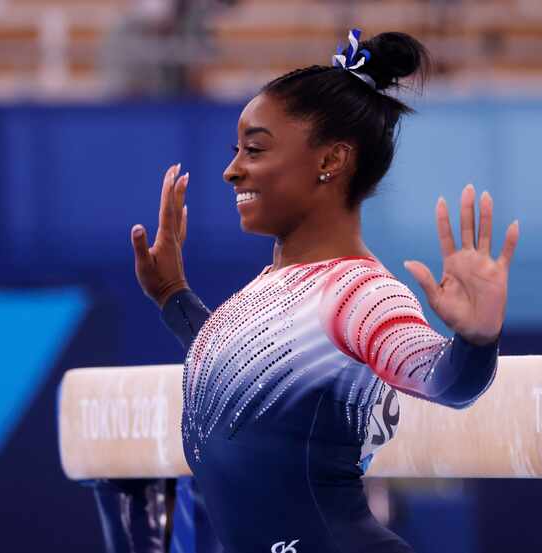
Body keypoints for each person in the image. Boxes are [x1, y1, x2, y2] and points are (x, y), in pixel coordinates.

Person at [127, 29, 520, 552]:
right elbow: (245, 378)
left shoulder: (360, 293)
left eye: (255, 149)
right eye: (235, 150)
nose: (231, 170)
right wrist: (173, 294)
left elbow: (445, 384)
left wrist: (475, 339)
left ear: (330, 161)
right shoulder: (267, 291)